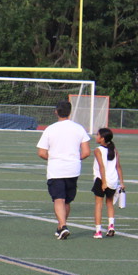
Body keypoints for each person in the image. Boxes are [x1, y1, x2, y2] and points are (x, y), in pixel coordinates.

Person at [37, 100, 91, 240]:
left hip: (56, 169)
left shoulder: (50, 129)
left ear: (56, 112)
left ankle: (63, 226)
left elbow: (41, 152)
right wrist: (74, 158)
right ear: (70, 112)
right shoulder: (79, 128)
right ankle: (61, 226)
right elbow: (86, 152)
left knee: (58, 199)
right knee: (66, 200)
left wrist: (54, 158)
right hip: (73, 168)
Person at [91, 128, 125, 239]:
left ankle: (98, 231)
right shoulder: (114, 150)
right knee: (109, 203)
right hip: (113, 180)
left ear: (102, 138)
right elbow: (118, 167)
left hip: (101, 180)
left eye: (98, 135)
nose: (96, 137)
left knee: (98, 205)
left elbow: (101, 167)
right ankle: (111, 227)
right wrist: (121, 182)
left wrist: (104, 182)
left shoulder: (98, 150)